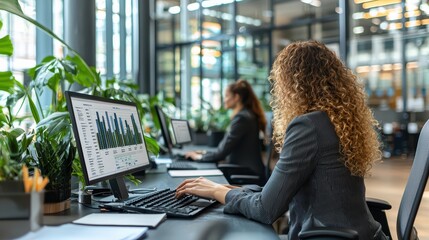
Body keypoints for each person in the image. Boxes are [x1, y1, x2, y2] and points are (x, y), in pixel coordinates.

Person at [176, 41, 387, 240]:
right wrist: (225, 189)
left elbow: (265, 210)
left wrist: (216, 192)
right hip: (364, 232)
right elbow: (278, 194)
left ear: (293, 84)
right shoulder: (336, 121)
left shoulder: (308, 126)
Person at [185, 79, 267, 179]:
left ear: (236, 97)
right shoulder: (247, 115)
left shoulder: (242, 118)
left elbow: (221, 153)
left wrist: (198, 157)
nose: (224, 100)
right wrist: (203, 153)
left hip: (247, 173)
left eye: (227, 96)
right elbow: (223, 149)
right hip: (247, 170)